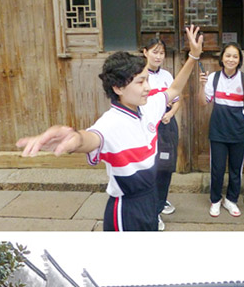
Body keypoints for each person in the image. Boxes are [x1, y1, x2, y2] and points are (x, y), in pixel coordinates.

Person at [16, 26, 204, 231]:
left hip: (151, 200)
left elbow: (175, 88)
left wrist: (194, 56)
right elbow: (91, 138)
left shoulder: (150, 105)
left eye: (147, 80)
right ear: (118, 88)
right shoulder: (110, 123)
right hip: (126, 210)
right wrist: (73, 138)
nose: (148, 87)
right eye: (141, 82)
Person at [200, 42, 244, 218]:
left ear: (239, 59)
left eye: (235, 56)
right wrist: (201, 85)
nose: (231, 59)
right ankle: (216, 200)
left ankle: (231, 200)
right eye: (228, 55)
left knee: (236, 170)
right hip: (218, 131)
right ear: (222, 58)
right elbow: (203, 102)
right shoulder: (213, 78)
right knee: (217, 169)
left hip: (239, 132)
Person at [142, 36, 181, 231]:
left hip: (166, 127)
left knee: (165, 167)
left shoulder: (167, 75)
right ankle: (151, 209)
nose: (158, 56)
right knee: (149, 168)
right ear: (145, 52)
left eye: (161, 53)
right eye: (154, 52)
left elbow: (177, 100)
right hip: (146, 129)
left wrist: (170, 113)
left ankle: (160, 202)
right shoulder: (138, 75)